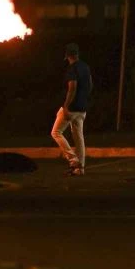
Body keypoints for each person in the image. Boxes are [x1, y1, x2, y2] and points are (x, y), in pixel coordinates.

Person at [51, 43, 92, 176]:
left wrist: (67, 106)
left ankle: (74, 161)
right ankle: (80, 168)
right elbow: (90, 85)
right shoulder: (85, 66)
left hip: (72, 107)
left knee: (56, 132)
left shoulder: (72, 69)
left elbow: (72, 87)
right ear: (77, 54)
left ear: (67, 56)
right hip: (82, 107)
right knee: (79, 137)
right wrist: (83, 98)